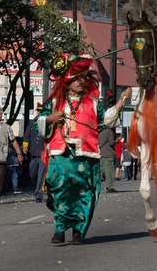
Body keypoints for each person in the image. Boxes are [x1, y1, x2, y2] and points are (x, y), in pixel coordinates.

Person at [34, 52, 131, 244]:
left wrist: (121, 102)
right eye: (75, 78)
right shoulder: (54, 102)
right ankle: (59, 229)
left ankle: (78, 230)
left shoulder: (94, 103)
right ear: (66, 81)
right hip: (61, 154)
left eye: (82, 78)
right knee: (59, 189)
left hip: (85, 155)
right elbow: (39, 122)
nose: (80, 82)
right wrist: (50, 119)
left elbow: (106, 121)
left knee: (83, 193)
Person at [23, 117, 47, 203]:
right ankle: (38, 186)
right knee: (32, 174)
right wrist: (25, 146)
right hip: (33, 154)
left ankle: (38, 195)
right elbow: (27, 135)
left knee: (41, 175)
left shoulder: (48, 122)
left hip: (43, 153)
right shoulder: (32, 123)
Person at [98, 127, 117, 193]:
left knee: (101, 171)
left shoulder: (99, 131)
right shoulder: (109, 131)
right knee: (110, 171)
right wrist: (116, 141)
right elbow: (111, 143)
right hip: (108, 153)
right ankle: (110, 187)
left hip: (102, 153)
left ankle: (96, 186)